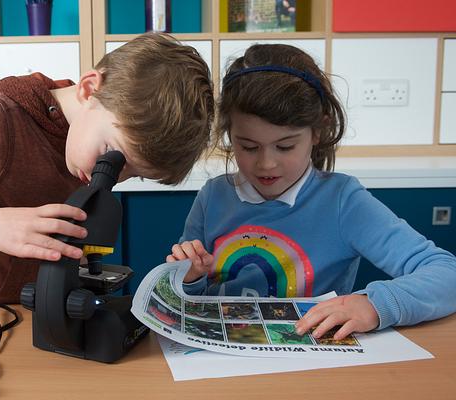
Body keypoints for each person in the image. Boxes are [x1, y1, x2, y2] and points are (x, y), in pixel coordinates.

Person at [0, 32, 214, 304]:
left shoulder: (85, 142)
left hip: (32, 318)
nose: (111, 177)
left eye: (132, 174)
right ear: (89, 89)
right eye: (112, 154)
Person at [166, 43, 456, 341]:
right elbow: (182, 298)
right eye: (248, 146)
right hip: (220, 357)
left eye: (286, 146)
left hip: (312, 368)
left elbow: (447, 273)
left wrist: (374, 304)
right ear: (229, 135)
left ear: (318, 131)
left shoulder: (342, 200)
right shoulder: (213, 196)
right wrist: (190, 278)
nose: (267, 163)